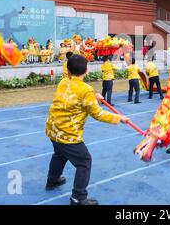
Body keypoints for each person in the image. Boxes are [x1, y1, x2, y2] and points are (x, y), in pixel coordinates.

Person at [45, 54, 128, 205]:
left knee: (59, 154)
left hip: (53, 129)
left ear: (68, 71)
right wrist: (119, 118)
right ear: (86, 70)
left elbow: (76, 94)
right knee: (84, 162)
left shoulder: (64, 82)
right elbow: (98, 114)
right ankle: (78, 197)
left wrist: (94, 95)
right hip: (68, 134)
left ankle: (52, 180)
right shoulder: (85, 90)